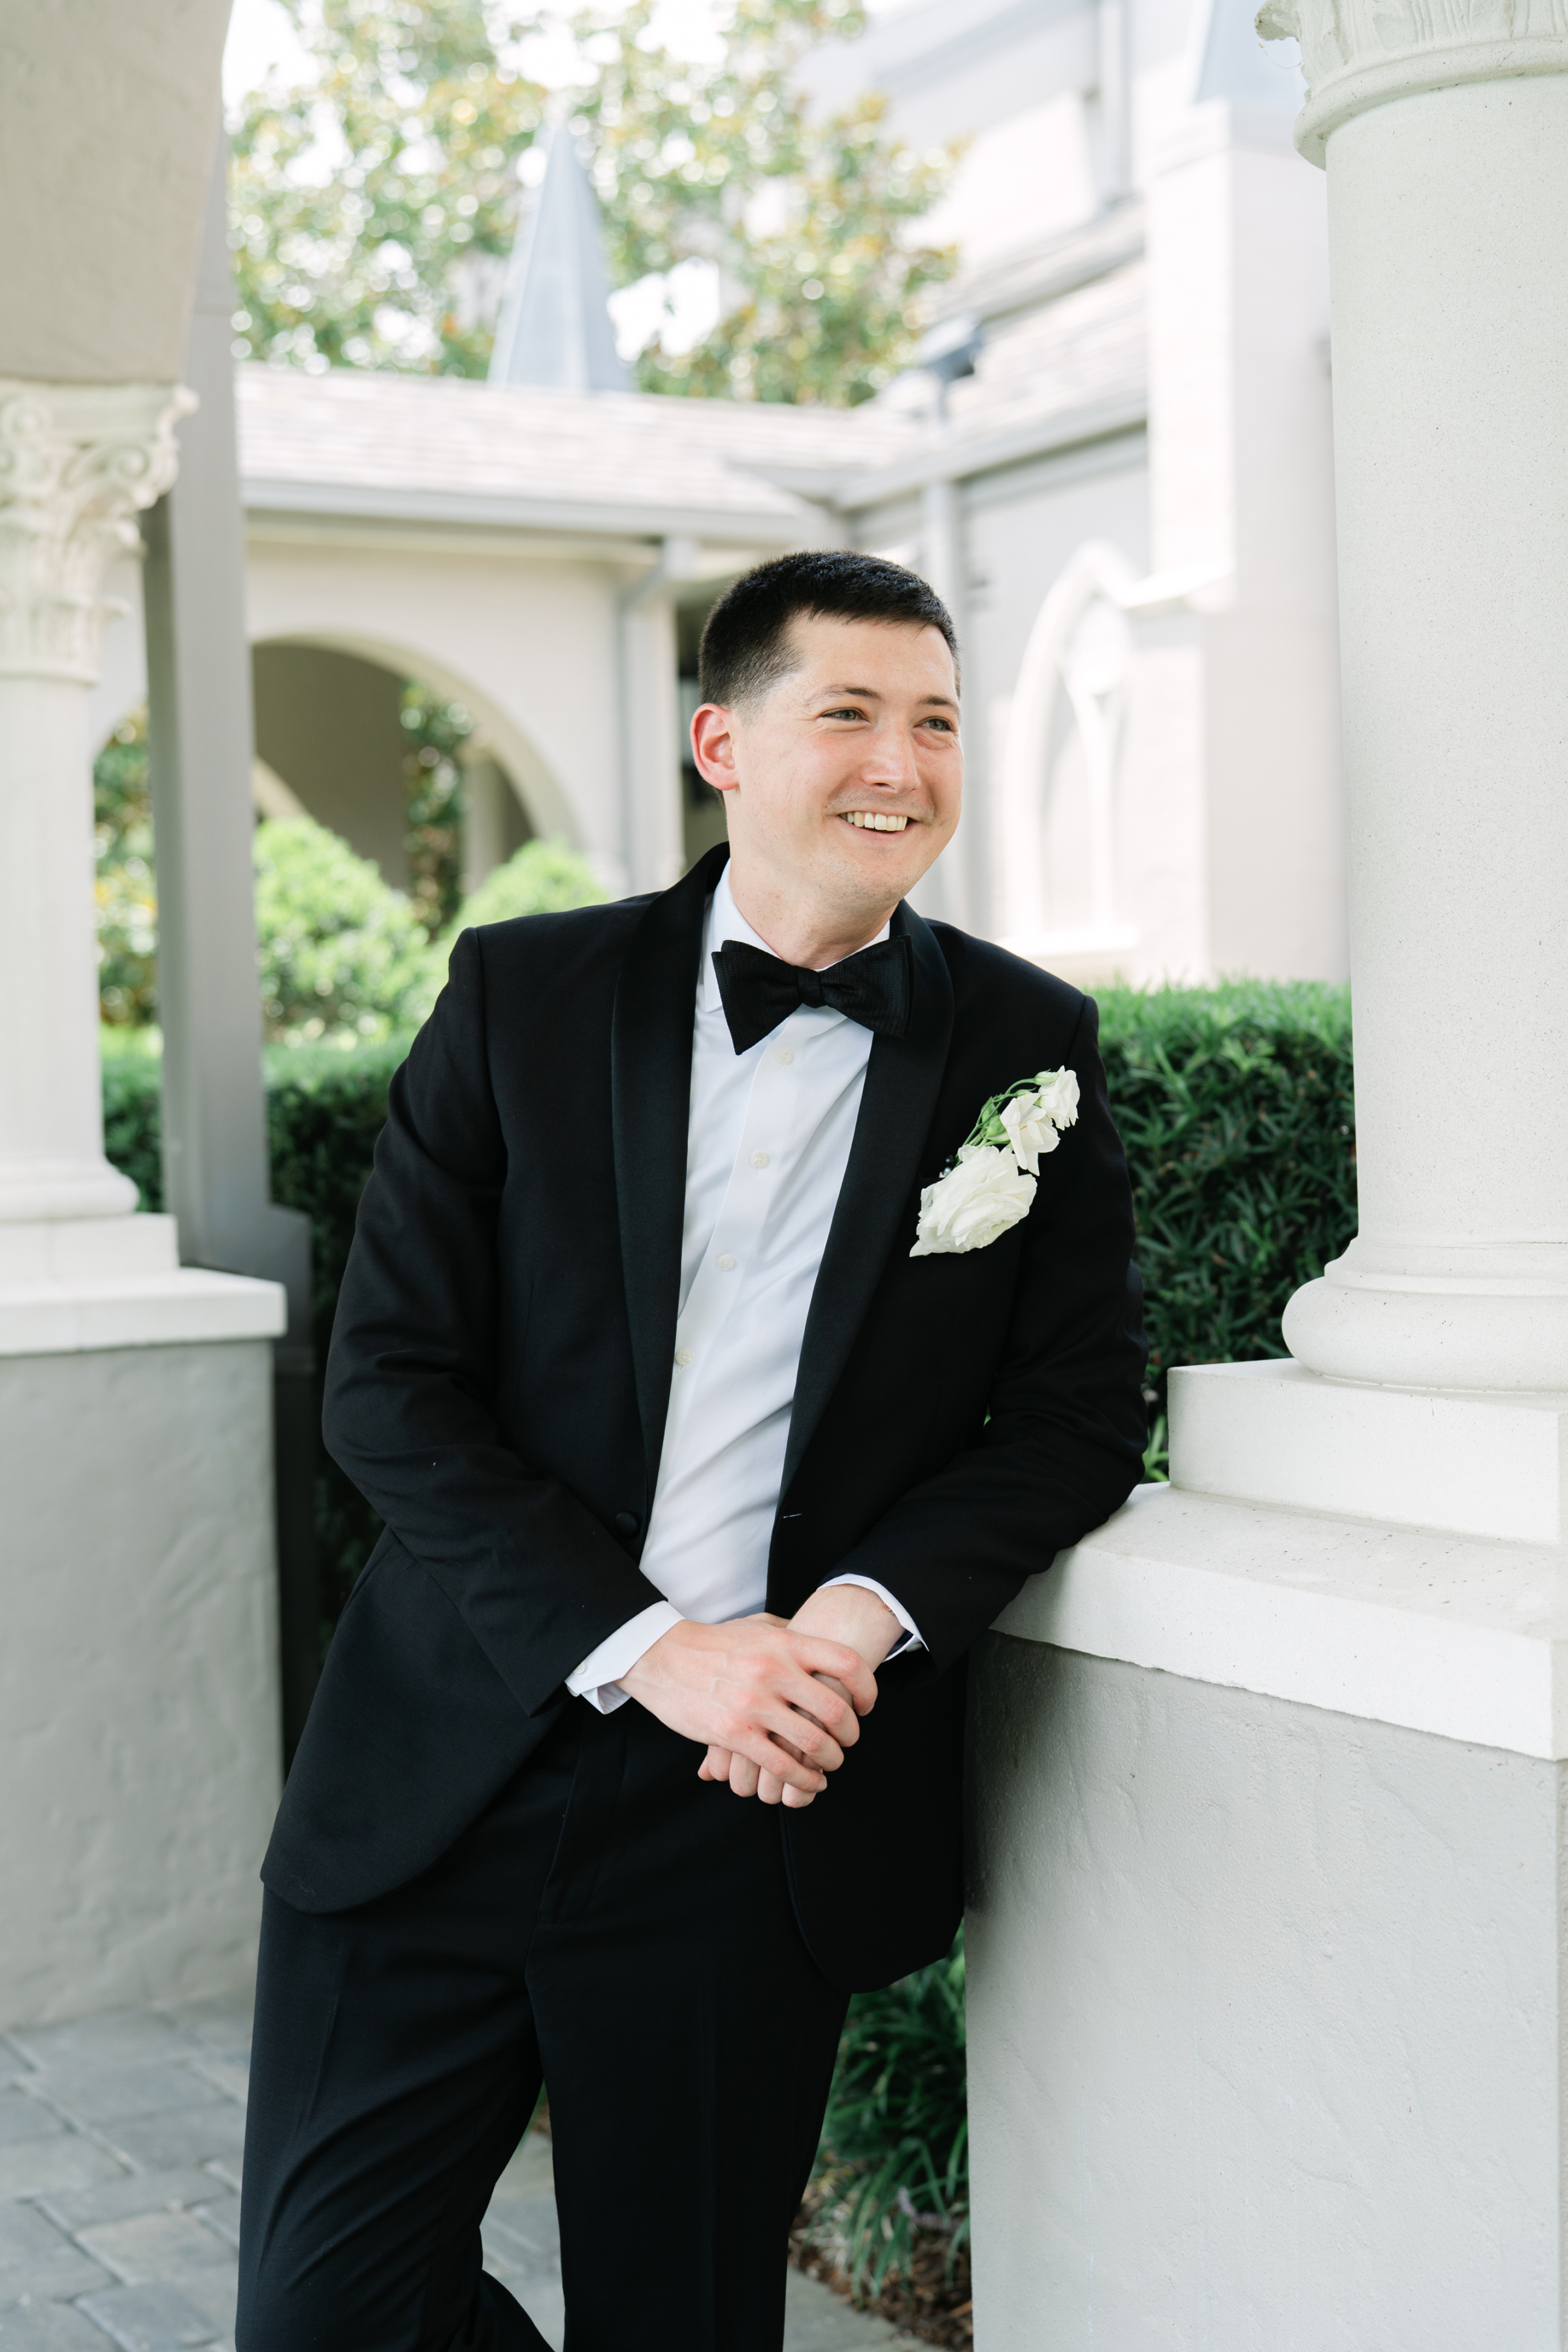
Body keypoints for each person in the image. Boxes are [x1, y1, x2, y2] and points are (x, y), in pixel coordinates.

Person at [235, 550, 1147, 2352]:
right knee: (324, 2316)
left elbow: (1076, 1412)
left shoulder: (1026, 1045)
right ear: (723, 743)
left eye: (939, 722)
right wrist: (656, 1648)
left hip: (757, 1807)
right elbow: (389, 1384)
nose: (903, 764)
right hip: (451, 1760)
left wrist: (857, 1621)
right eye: (852, 714)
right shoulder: (523, 993)